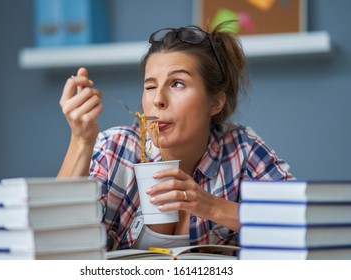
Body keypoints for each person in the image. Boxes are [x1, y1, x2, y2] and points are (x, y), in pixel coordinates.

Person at [57, 24, 294, 250]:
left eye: (178, 84)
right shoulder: (115, 149)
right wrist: (81, 140)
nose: (158, 99)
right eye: (150, 86)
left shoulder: (240, 150)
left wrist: (212, 206)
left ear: (215, 102)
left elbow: (299, 220)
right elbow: (55, 240)